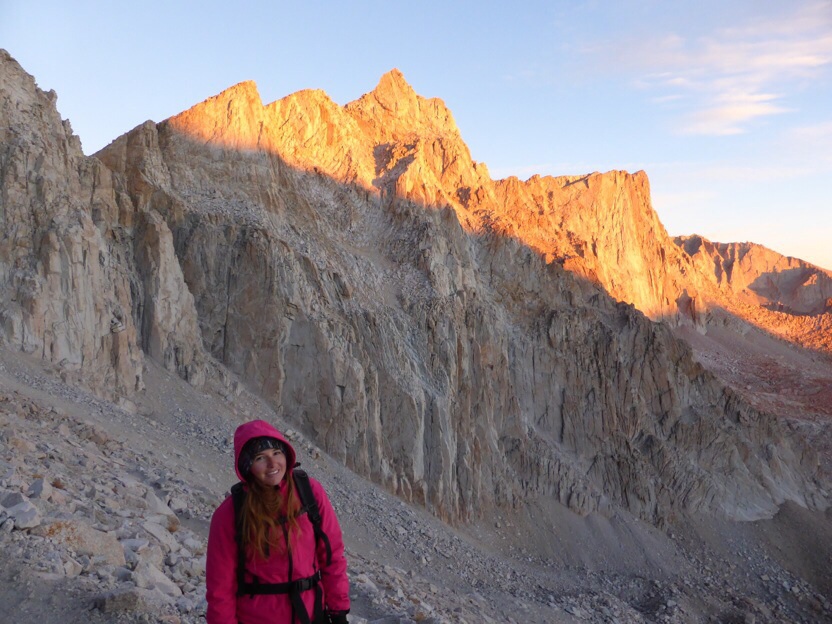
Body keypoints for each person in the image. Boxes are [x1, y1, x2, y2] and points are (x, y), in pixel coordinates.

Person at [206, 419, 350, 623]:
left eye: (276, 453)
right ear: (247, 466)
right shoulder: (230, 513)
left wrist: (338, 611)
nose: (273, 464)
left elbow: (331, 554)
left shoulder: (308, 491)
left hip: (312, 616)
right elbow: (220, 587)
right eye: (260, 458)